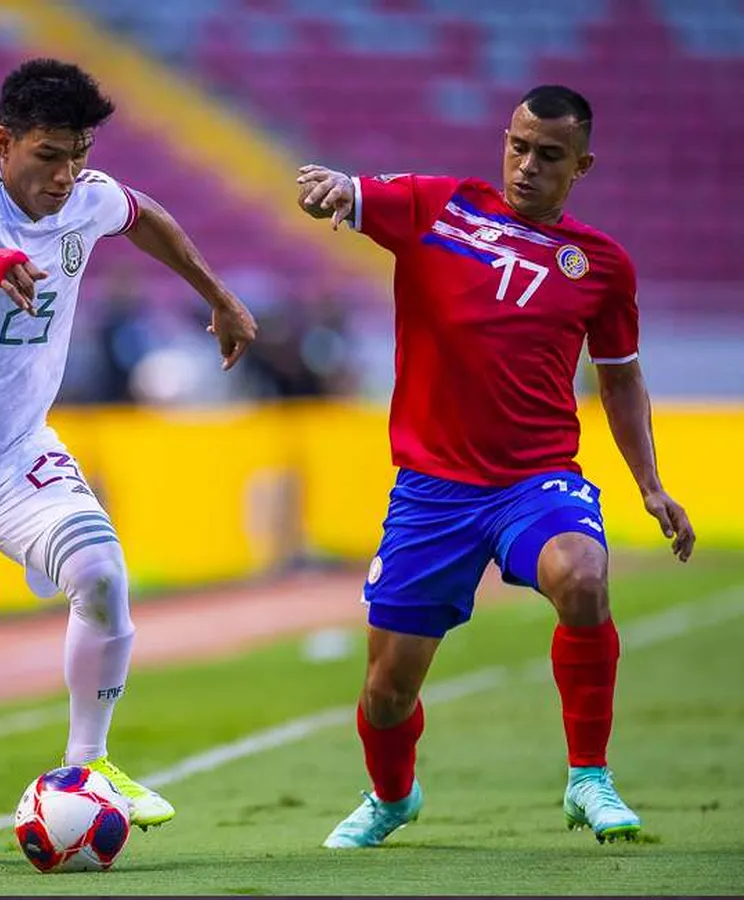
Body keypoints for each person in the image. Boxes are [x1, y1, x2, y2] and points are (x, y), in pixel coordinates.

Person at [0, 58, 257, 865]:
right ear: (3, 142)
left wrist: (219, 295)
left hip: (20, 447)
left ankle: (89, 762)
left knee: (100, 571)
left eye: (78, 154)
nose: (66, 176)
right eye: (48, 155)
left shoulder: (88, 194)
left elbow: (144, 215)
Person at [295, 85, 695, 848]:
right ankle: (392, 795)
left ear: (582, 165)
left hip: (534, 481)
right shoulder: (436, 207)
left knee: (581, 574)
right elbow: (350, 191)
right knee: (386, 692)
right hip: (431, 491)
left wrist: (649, 485)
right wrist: (329, 189)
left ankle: (589, 778)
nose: (527, 165)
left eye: (550, 156)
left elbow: (620, 378)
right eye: (518, 146)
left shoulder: (603, 267)